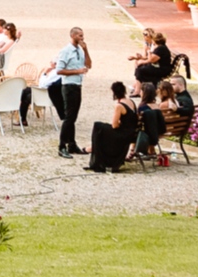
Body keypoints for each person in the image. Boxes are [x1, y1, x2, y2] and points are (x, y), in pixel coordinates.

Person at [41, 27, 92, 158]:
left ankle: (72, 144)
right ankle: (62, 146)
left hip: (77, 85)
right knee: (69, 117)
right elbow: (59, 70)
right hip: (68, 86)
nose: (82, 37)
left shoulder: (80, 50)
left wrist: (85, 49)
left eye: (83, 35)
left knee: (73, 117)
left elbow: (89, 65)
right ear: (73, 35)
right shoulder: (65, 51)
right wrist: (77, 71)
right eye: (80, 35)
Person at [84, 81, 139, 173]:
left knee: (98, 126)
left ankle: (95, 154)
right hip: (131, 131)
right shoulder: (131, 101)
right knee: (103, 128)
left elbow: (114, 125)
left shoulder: (119, 106)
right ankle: (92, 148)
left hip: (124, 133)